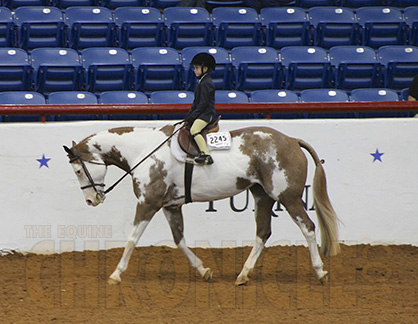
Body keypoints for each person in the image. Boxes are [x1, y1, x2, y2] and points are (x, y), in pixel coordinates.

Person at [184, 53, 216, 165]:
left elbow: (202, 104)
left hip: (206, 114)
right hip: (202, 112)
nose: (194, 70)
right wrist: (188, 116)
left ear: (205, 69)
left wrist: (192, 117)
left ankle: (206, 154)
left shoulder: (206, 83)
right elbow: (195, 103)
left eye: (197, 68)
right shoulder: (201, 82)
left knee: (194, 130)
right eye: (194, 68)